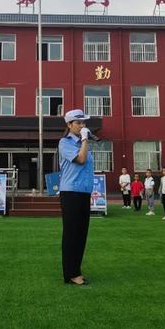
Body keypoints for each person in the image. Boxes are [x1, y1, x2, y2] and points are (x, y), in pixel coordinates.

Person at [58, 109, 94, 286]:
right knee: (72, 233)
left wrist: (84, 140)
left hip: (83, 192)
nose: (82, 126)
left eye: (83, 123)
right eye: (78, 123)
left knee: (81, 233)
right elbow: (80, 160)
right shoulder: (65, 143)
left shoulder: (82, 142)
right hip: (71, 192)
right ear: (69, 125)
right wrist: (85, 139)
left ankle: (76, 270)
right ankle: (71, 273)